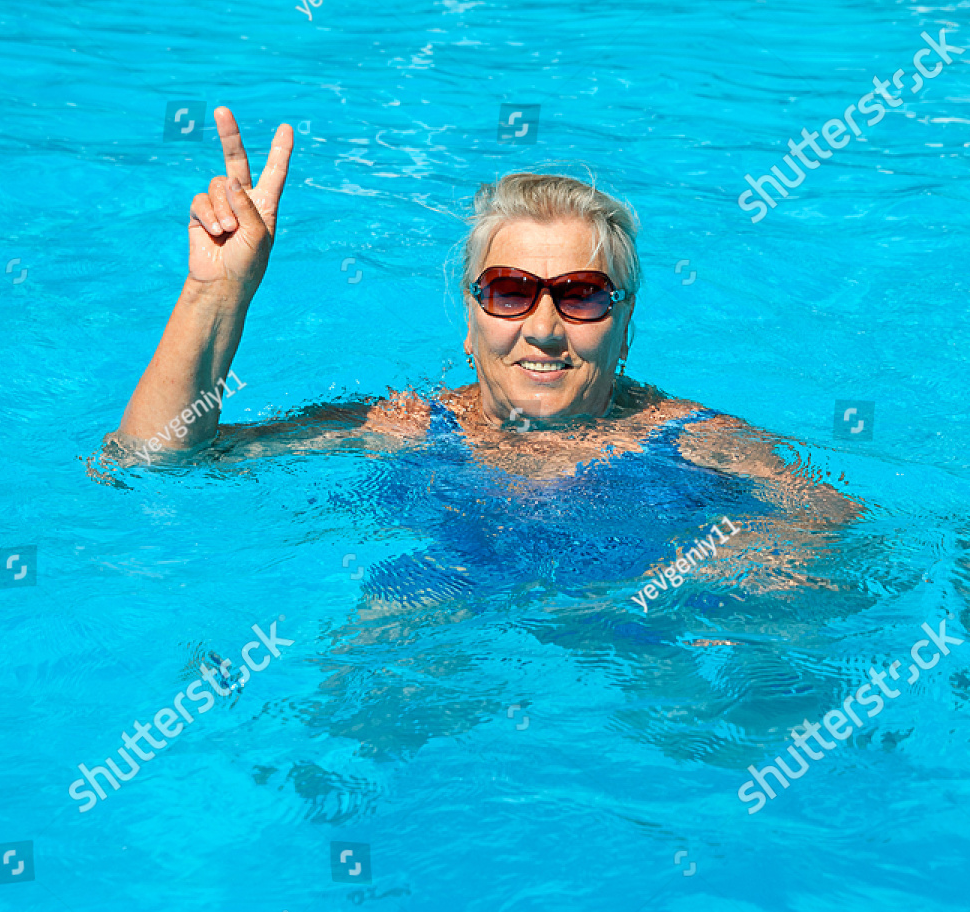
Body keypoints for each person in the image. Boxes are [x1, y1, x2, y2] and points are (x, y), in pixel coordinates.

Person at [110, 108, 861, 602]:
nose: (542, 327)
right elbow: (152, 460)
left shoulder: (702, 443)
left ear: (624, 327)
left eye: (582, 293)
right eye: (509, 291)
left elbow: (837, 538)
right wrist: (216, 293)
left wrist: (723, 577)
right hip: (437, 621)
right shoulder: (400, 424)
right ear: (470, 323)